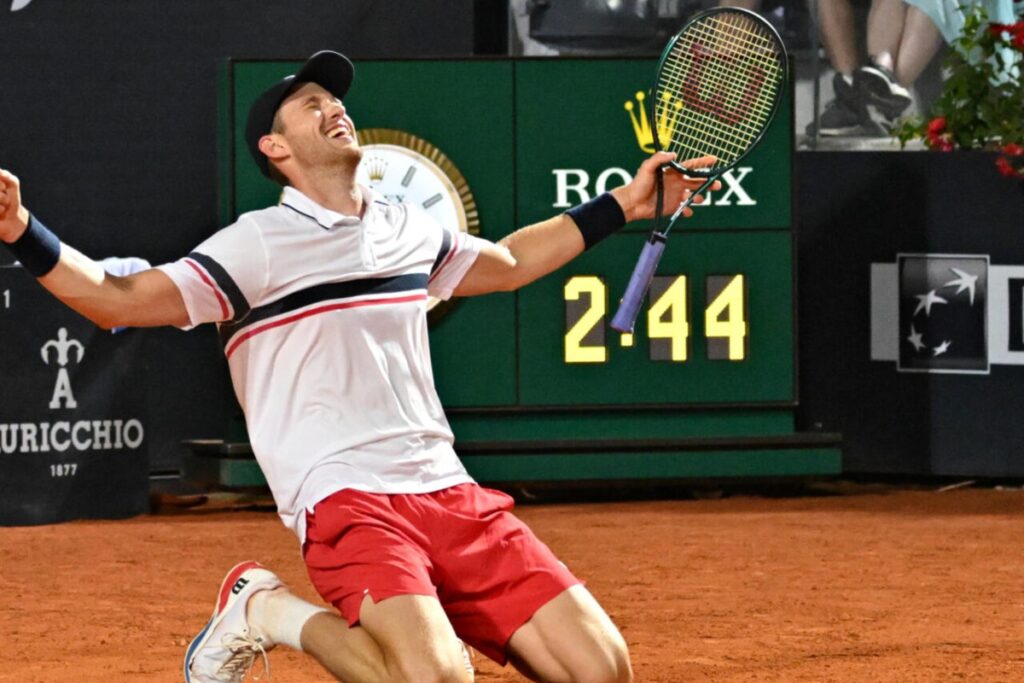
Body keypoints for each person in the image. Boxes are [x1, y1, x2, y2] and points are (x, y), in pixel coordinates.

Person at [0, 51, 719, 683]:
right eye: (310, 105)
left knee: (603, 667)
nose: (333, 107)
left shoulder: (406, 225)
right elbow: (113, 297)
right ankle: (269, 608)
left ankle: (396, 622)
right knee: (432, 679)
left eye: (334, 98)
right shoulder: (258, 244)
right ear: (275, 147)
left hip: (447, 488)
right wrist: (21, 231)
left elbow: (507, 263)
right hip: (346, 496)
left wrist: (627, 201)